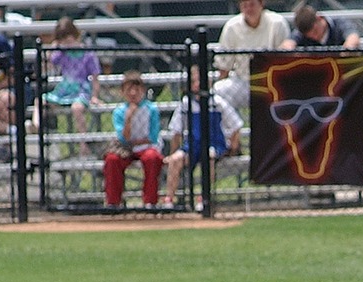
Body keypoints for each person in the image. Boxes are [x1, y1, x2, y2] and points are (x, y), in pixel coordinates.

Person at [162, 66, 244, 209]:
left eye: (201, 81)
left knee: (209, 157)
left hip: (214, 143)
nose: (198, 84)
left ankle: (203, 198)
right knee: (175, 160)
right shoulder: (186, 104)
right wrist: (173, 152)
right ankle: (169, 199)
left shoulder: (217, 102)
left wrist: (233, 147)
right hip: (192, 145)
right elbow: (176, 132)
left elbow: (236, 125)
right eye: (194, 81)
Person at [213, 0, 290, 111]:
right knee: (218, 91)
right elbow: (224, 67)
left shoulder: (277, 23)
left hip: (270, 83)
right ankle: (235, 127)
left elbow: (284, 60)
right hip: (242, 82)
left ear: (261, 4)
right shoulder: (231, 26)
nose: (249, 9)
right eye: (245, 5)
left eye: (252, 4)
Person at [42, 17, 102, 157]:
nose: (66, 43)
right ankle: (36, 127)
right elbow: (50, 62)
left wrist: (94, 96)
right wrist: (54, 46)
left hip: (81, 88)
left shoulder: (87, 53)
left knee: (77, 108)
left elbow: (95, 78)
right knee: (41, 101)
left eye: (68, 39)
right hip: (65, 88)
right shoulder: (61, 53)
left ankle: (83, 144)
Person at [103, 69, 162, 209]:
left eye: (137, 89)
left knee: (152, 158)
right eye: (129, 89)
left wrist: (136, 142)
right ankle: (113, 202)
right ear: (123, 91)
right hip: (126, 149)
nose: (133, 93)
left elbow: (152, 137)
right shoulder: (119, 112)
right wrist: (128, 118)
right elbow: (124, 139)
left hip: (146, 148)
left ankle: (150, 201)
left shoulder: (151, 109)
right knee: (112, 160)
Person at [280, 3, 360, 50]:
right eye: (310, 36)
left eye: (316, 31)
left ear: (320, 18)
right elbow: (287, 44)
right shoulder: (300, 33)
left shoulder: (339, 23)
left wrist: (346, 50)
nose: (315, 37)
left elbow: (353, 37)